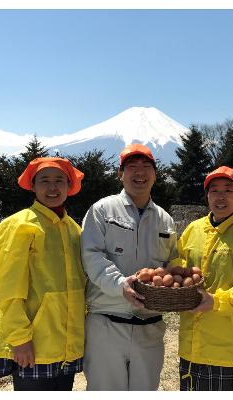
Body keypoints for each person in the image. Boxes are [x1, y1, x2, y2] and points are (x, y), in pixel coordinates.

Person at [81, 143, 178, 391]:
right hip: (106, 326)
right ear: (120, 174)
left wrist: (175, 286)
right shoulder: (102, 210)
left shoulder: (165, 219)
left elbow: (173, 263)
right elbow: (92, 256)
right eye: (132, 167)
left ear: (155, 175)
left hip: (150, 326)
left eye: (146, 167)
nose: (140, 173)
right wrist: (120, 284)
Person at [173, 166, 233, 391]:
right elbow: (179, 268)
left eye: (228, 190)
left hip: (230, 349)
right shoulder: (193, 229)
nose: (220, 196)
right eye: (214, 190)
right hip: (191, 347)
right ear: (207, 196)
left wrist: (217, 301)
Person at [0, 157, 86, 391]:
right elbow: (8, 289)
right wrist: (19, 339)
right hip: (33, 345)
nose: (52, 187)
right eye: (45, 180)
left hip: (67, 345)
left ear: (69, 186)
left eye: (59, 181)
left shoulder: (75, 229)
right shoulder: (19, 225)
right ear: (33, 186)